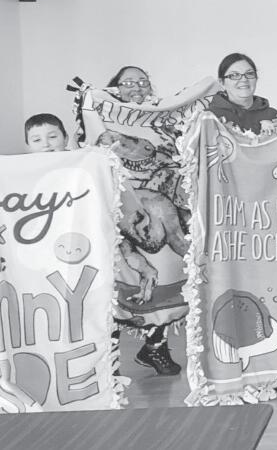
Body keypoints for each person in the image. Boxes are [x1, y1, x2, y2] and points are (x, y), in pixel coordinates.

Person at [103, 65, 184, 376]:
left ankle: (154, 349)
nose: (136, 87)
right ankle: (107, 360)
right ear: (115, 88)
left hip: (161, 213)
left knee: (163, 282)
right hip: (117, 216)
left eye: (142, 81)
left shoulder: (162, 121)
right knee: (115, 287)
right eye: (127, 82)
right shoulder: (101, 122)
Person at [207, 53, 277, 134]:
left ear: (256, 78)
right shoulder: (210, 118)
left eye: (249, 73)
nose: (244, 79)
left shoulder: (273, 116)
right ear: (221, 82)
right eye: (234, 75)